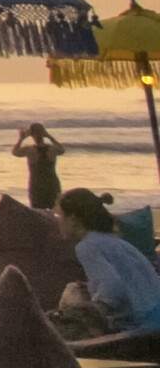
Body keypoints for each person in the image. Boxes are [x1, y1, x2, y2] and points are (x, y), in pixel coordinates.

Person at [51, 188, 160, 338]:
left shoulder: (86, 246)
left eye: (60, 215)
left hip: (141, 327)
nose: (58, 221)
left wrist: (90, 311)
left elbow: (113, 287)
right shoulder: (116, 242)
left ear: (74, 219)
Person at [13, 123, 65, 210]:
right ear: (44, 133)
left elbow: (15, 152)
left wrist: (21, 139)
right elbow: (62, 150)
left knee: (37, 210)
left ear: (31, 135)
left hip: (36, 184)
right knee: (55, 210)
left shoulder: (29, 150)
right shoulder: (52, 149)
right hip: (52, 183)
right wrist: (49, 136)